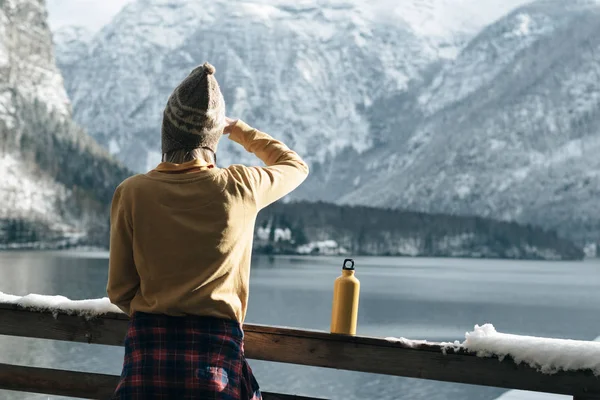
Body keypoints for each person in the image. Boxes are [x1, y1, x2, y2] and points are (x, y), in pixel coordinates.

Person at [106, 62, 309, 399]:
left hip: (148, 348)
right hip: (216, 356)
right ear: (212, 139)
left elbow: (120, 289)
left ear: (166, 135)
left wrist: (159, 309)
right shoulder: (240, 185)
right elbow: (294, 166)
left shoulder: (132, 191)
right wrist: (238, 129)